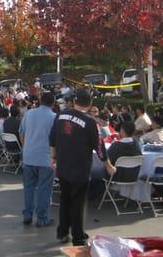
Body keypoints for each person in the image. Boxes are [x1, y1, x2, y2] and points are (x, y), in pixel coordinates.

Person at [50, 89, 116, 246]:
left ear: (74, 101)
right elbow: (100, 147)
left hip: (63, 166)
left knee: (65, 200)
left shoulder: (61, 115)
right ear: (90, 103)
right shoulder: (90, 122)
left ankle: (62, 232)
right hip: (80, 168)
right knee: (78, 203)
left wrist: (53, 158)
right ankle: (78, 236)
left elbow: (52, 138)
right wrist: (108, 165)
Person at [19, 92, 57, 227]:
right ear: (53, 103)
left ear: (40, 100)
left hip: (28, 156)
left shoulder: (29, 113)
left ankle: (27, 215)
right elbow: (56, 140)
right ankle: (42, 218)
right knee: (44, 189)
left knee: (28, 188)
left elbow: (21, 132)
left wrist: (26, 148)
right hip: (46, 158)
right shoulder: (55, 117)